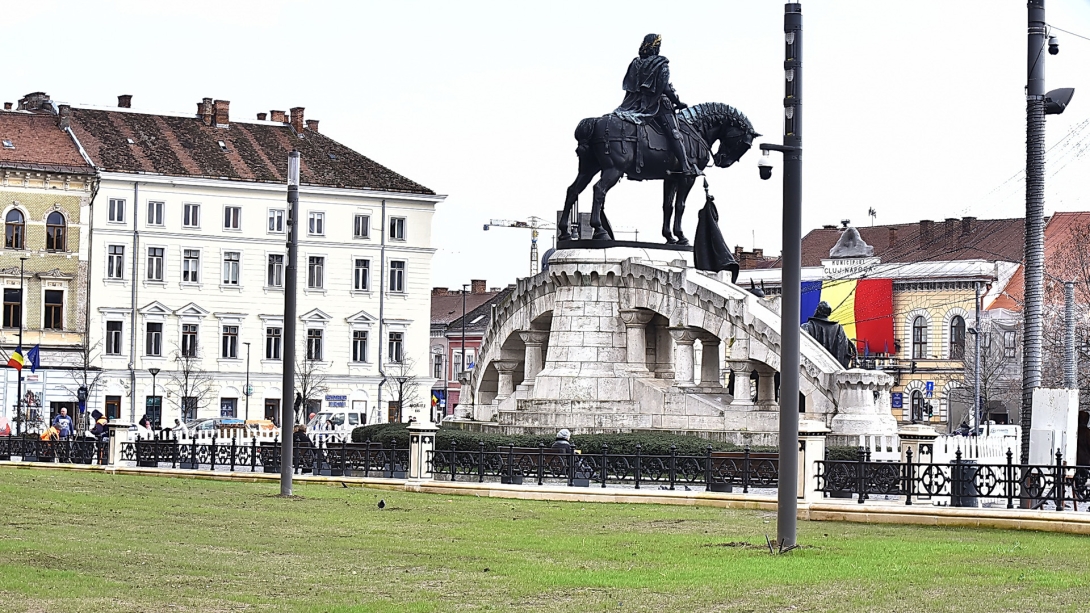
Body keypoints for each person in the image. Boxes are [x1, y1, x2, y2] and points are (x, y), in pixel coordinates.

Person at [614, 33, 699, 176]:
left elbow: (630, 86)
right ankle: (686, 166)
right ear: (656, 47)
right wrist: (677, 102)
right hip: (657, 106)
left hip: (632, 105)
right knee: (675, 133)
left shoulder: (635, 63)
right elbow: (664, 88)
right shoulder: (661, 64)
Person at [801, 301, 857, 368]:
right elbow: (845, 353)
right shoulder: (839, 329)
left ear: (818, 311)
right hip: (835, 371)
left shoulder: (806, 326)